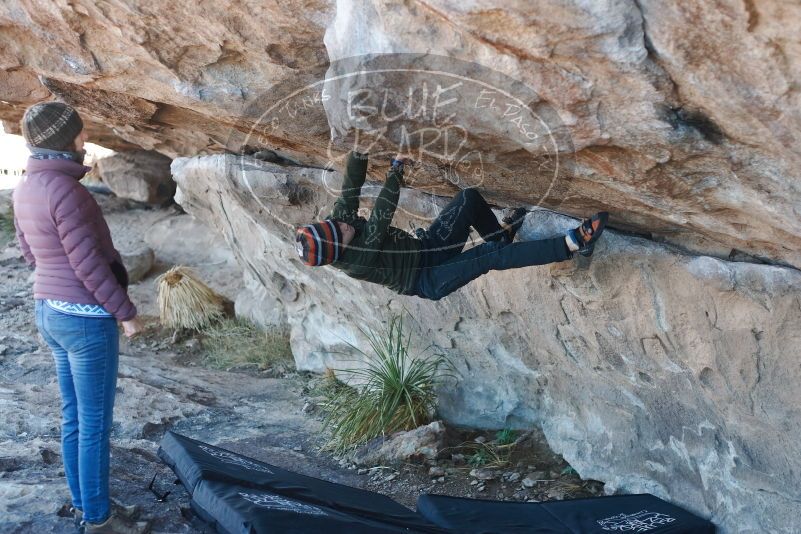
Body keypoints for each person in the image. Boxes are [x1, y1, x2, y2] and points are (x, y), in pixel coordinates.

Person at [13, 102, 149, 534]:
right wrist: (125, 312)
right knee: (93, 426)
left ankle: (87, 504)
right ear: (66, 138)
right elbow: (89, 264)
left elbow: (30, 253)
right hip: (86, 320)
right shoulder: (68, 192)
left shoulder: (26, 188)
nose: (85, 136)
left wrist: (56, 280)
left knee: (74, 417)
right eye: (80, 131)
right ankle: (99, 520)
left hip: (49, 311)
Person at [295, 150, 608, 300]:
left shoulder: (337, 228)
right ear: (339, 251)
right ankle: (573, 244)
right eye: (341, 232)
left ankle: (502, 235)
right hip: (428, 278)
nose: (344, 225)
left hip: (427, 247)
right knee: (490, 257)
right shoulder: (356, 259)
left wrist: (358, 146)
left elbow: (350, 189)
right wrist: (396, 168)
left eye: (336, 224)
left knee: (469, 200)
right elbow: (380, 216)